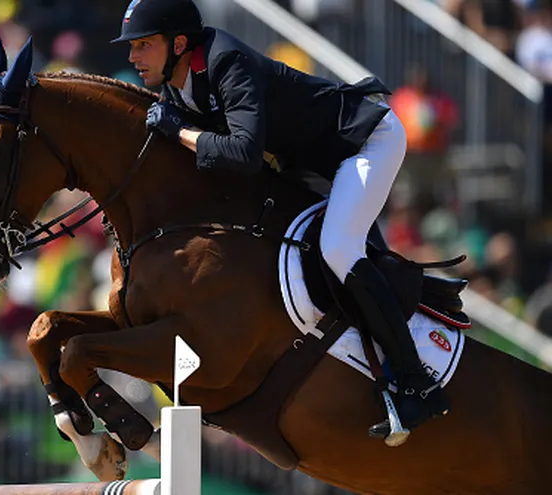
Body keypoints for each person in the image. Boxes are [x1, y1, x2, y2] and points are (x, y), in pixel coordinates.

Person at [110, 0, 449, 444]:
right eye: (132, 47)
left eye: (143, 45)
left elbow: (244, 153)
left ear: (178, 43)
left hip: (363, 145)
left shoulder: (224, 60)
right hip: (306, 162)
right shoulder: (176, 86)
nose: (133, 56)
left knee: (339, 249)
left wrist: (179, 131)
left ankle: (415, 380)